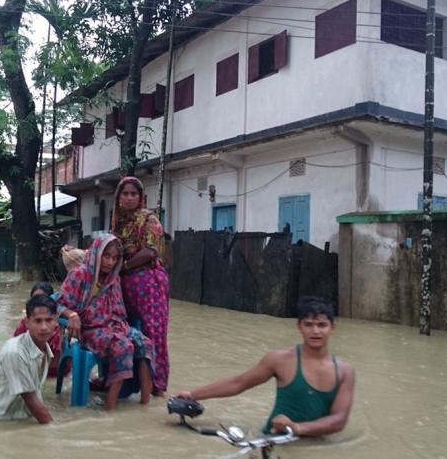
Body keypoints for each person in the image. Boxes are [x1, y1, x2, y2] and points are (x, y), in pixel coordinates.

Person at [173, 297, 355, 437]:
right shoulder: (280, 359)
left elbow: (339, 420)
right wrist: (193, 394)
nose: (315, 331)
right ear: (299, 327)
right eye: (308, 325)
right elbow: (239, 383)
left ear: (333, 327)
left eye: (322, 325)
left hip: (316, 448)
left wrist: (297, 428)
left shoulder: (345, 371)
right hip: (273, 441)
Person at [57, 233, 154, 410]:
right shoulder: (79, 275)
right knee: (123, 346)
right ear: (96, 254)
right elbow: (56, 303)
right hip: (89, 330)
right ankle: (109, 408)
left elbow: (118, 310)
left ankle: (145, 405)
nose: (110, 262)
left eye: (114, 258)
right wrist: (71, 315)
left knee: (145, 343)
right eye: (106, 256)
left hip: (115, 326)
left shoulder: (114, 278)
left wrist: (119, 326)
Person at [111, 176, 170, 396]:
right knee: (126, 330)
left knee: (153, 332)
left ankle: (156, 385)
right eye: (124, 194)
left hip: (149, 282)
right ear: (118, 197)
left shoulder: (149, 219)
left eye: (133, 194)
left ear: (141, 197)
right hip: (124, 285)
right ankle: (129, 382)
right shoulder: (117, 221)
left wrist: (124, 266)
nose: (129, 198)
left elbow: (150, 251)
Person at [0, 295, 57, 423]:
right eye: (38, 321)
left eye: (48, 320)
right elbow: (30, 398)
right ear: (27, 323)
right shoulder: (15, 352)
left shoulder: (44, 349)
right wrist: (55, 430)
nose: (44, 327)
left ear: (56, 321)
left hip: (18, 418)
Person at [11, 282, 67, 378]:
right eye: (35, 299)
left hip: (53, 373)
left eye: (42, 299)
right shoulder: (24, 325)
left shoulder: (59, 328)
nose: (44, 327)